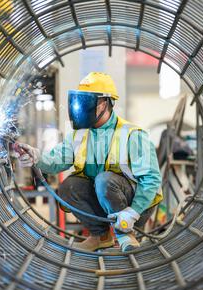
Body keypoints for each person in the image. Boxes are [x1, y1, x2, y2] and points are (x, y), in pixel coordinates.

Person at [15, 72, 163, 252]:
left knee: (104, 180)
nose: (80, 107)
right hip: (105, 200)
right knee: (69, 186)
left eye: (86, 101)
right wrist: (36, 158)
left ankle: (125, 234)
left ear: (103, 103)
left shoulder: (132, 134)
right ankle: (100, 236)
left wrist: (133, 211)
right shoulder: (80, 134)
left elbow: (152, 180)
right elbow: (57, 160)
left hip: (137, 205)